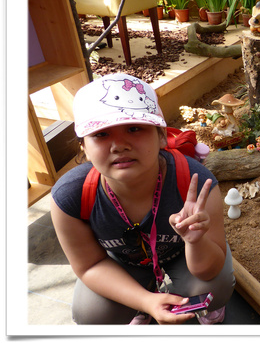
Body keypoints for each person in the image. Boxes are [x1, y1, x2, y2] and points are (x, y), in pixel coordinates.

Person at [50, 73, 235, 325]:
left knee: (215, 288)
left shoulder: (195, 183)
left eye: (134, 128)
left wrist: (196, 241)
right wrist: (144, 301)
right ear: (84, 147)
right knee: (91, 314)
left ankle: (200, 304)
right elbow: (90, 266)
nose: (119, 145)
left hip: (183, 255)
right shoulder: (71, 196)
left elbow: (209, 269)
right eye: (101, 134)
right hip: (124, 262)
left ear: (161, 136)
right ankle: (141, 303)